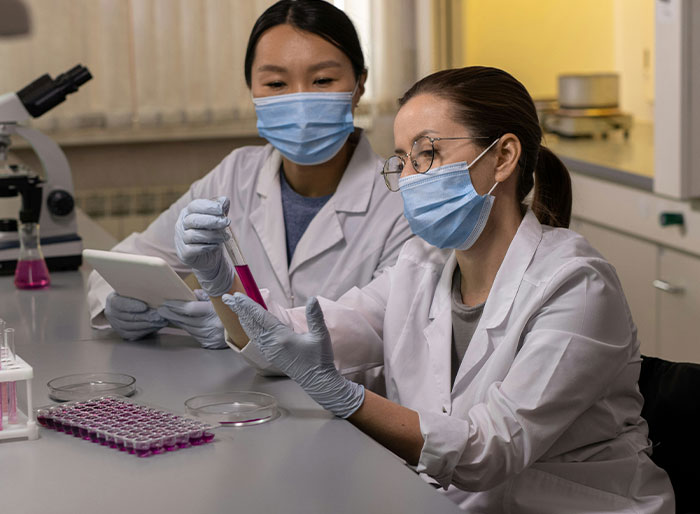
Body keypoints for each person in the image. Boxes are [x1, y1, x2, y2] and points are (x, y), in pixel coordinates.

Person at [214, 67, 675, 512]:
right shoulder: (421, 267)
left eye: (428, 153)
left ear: (504, 157)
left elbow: (489, 451)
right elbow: (291, 339)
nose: (410, 177)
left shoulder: (577, 285)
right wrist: (220, 279)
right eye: (403, 160)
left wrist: (346, 397)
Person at [86, 0, 412, 349]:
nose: (299, 101)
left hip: (346, 400)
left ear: (359, 85)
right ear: (251, 92)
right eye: (275, 83)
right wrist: (114, 300)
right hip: (242, 397)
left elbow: (381, 326)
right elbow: (128, 261)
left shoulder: (399, 198)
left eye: (322, 80)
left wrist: (240, 327)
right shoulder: (236, 174)